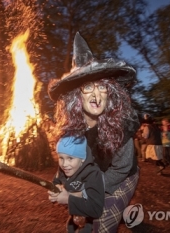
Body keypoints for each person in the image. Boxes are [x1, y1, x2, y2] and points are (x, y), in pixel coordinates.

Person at [48, 32, 140, 232]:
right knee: (82, 221)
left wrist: (84, 192)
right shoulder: (71, 130)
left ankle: (118, 210)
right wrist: (60, 182)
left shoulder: (121, 124)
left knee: (103, 224)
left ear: (110, 94)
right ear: (76, 96)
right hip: (94, 174)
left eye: (102, 88)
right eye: (88, 87)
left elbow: (121, 169)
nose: (96, 95)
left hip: (122, 176)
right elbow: (67, 160)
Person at [48, 136, 104, 232]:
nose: (64, 164)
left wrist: (68, 199)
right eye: (61, 158)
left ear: (82, 158)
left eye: (70, 158)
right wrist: (56, 190)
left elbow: (96, 209)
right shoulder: (64, 169)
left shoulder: (93, 174)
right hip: (76, 216)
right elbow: (56, 181)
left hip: (92, 220)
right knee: (70, 228)